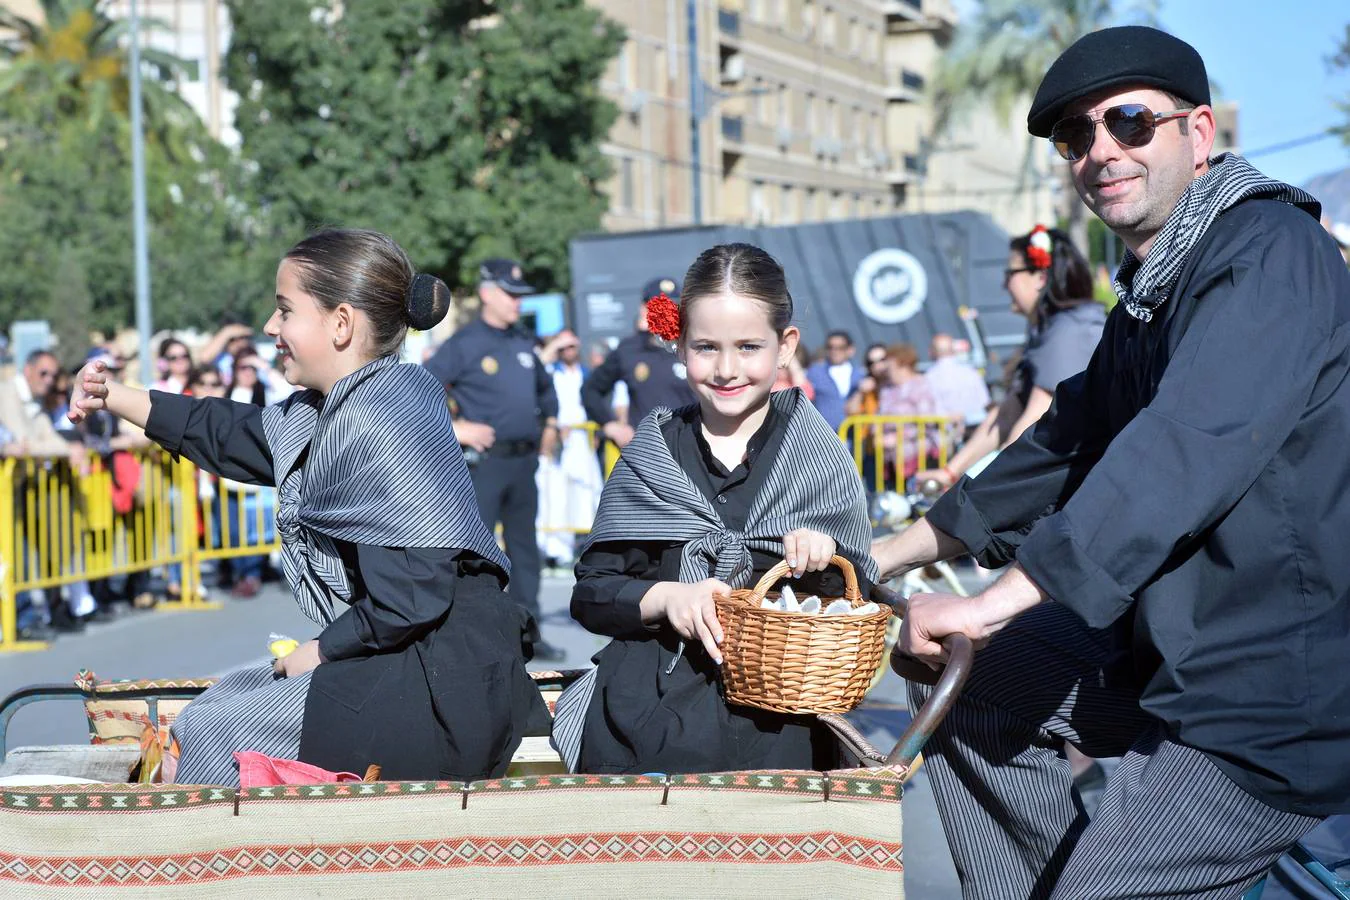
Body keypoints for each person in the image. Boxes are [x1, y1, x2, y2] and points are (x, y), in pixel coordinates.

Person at [872, 27, 1350, 898]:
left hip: (1274, 690)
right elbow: (1066, 441)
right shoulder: (1153, 288)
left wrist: (991, 603)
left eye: (1130, 121)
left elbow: (1182, 451)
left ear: (1198, 134)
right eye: (1075, 136)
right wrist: (889, 555)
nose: (1101, 150)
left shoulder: (1273, 255)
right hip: (1169, 645)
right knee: (971, 688)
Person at [70, 229, 547, 786]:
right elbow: (232, 434)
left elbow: (412, 595)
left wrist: (319, 650)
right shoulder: (344, 406)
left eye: (285, 310)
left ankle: (206, 865)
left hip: (442, 682)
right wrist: (114, 394)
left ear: (341, 324)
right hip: (409, 652)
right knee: (230, 694)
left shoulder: (382, 417)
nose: (271, 328)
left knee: (212, 729)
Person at [557, 243, 879, 775]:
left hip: (780, 722)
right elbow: (592, 593)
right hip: (647, 715)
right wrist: (663, 597)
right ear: (679, 345)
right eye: (706, 347)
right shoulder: (651, 452)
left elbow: (856, 595)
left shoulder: (818, 455)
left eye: (749, 346)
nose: (727, 369)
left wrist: (824, 559)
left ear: (784, 346)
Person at [423, 258, 565, 662]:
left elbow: (545, 388)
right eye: (510, 294)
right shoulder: (465, 343)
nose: (518, 302)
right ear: (487, 293)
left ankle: (527, 635)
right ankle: (476, 638)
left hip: (523, 463)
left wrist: (551, 422)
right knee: (478, 554)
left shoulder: (522, 340)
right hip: (483, 465)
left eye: (521, 295)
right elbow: (420, 390)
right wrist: (458, 427)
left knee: (525, 552)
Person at [929, 226, 1105, 486]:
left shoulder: (1071, 330)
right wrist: (950, 473)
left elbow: (1035, 417)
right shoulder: (1048, 329)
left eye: (1010, 273)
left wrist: (987, 484)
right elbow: (1005, 415)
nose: (1004, 284)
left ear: (1040, 278)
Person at [0, 349, 89, 640]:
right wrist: (68, 450)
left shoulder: (33, 401)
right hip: (8, 486)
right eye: (44, 373)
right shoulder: (6, 393)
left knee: (19, 556)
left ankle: (23, 617)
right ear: (28, 370)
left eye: (53, 374)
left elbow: (44, 436)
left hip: (18, 489)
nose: (50, 380)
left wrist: (66, 449)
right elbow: (25, 445)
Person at [581, 277, 697, 449]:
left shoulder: (694, 345)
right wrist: (612, 425)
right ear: (644, 310)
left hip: (692, 448)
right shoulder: (629, 350)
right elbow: (590, 390)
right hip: (647, 454)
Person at [875, 342, 938, 479]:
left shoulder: (920, 385)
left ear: (902, 364)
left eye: (889, 363)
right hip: (889, 455)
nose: (885, 367)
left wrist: (898, 436)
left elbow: (927, 421)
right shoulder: (886, 389)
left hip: (917, 452)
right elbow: (878, 415)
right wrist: (877, 434)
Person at [924, 333, 991, 439]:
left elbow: (932, 410)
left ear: (932, 352)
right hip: (976, 431)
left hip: (947, 434)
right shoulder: (971, 372)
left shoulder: (929, 377)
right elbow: (985, 402)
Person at [805, 330, 864, 430]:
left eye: (840, 347)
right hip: (825, 436)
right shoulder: (814, 372)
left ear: (850, 349)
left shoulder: (860, 374)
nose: (834, 351)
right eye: (830, 347)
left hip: (854, 437)